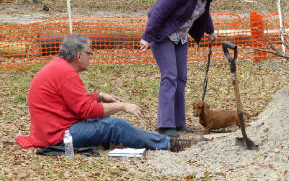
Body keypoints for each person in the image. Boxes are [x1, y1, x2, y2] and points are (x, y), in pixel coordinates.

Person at [15, 34, 200, 153]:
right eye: (90, 53)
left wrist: (101, 96)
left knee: (107, 124)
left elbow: (72, 101)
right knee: (115, 125)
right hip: (57, 135)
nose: (91, 57)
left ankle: (159, 142)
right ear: (79, 56)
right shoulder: (65, 73)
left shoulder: (59, 68)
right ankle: (166, 144)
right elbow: (87, 110)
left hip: (51, 130)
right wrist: (122, 106)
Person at [140, 0, 229, 138]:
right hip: (162, 35)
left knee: (181, 78)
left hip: (180, 37)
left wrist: (210, 30)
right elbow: (157, 12)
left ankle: (178, 122)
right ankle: (165, 124)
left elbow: (204, 13)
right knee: (170, 76)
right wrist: (147, 37)